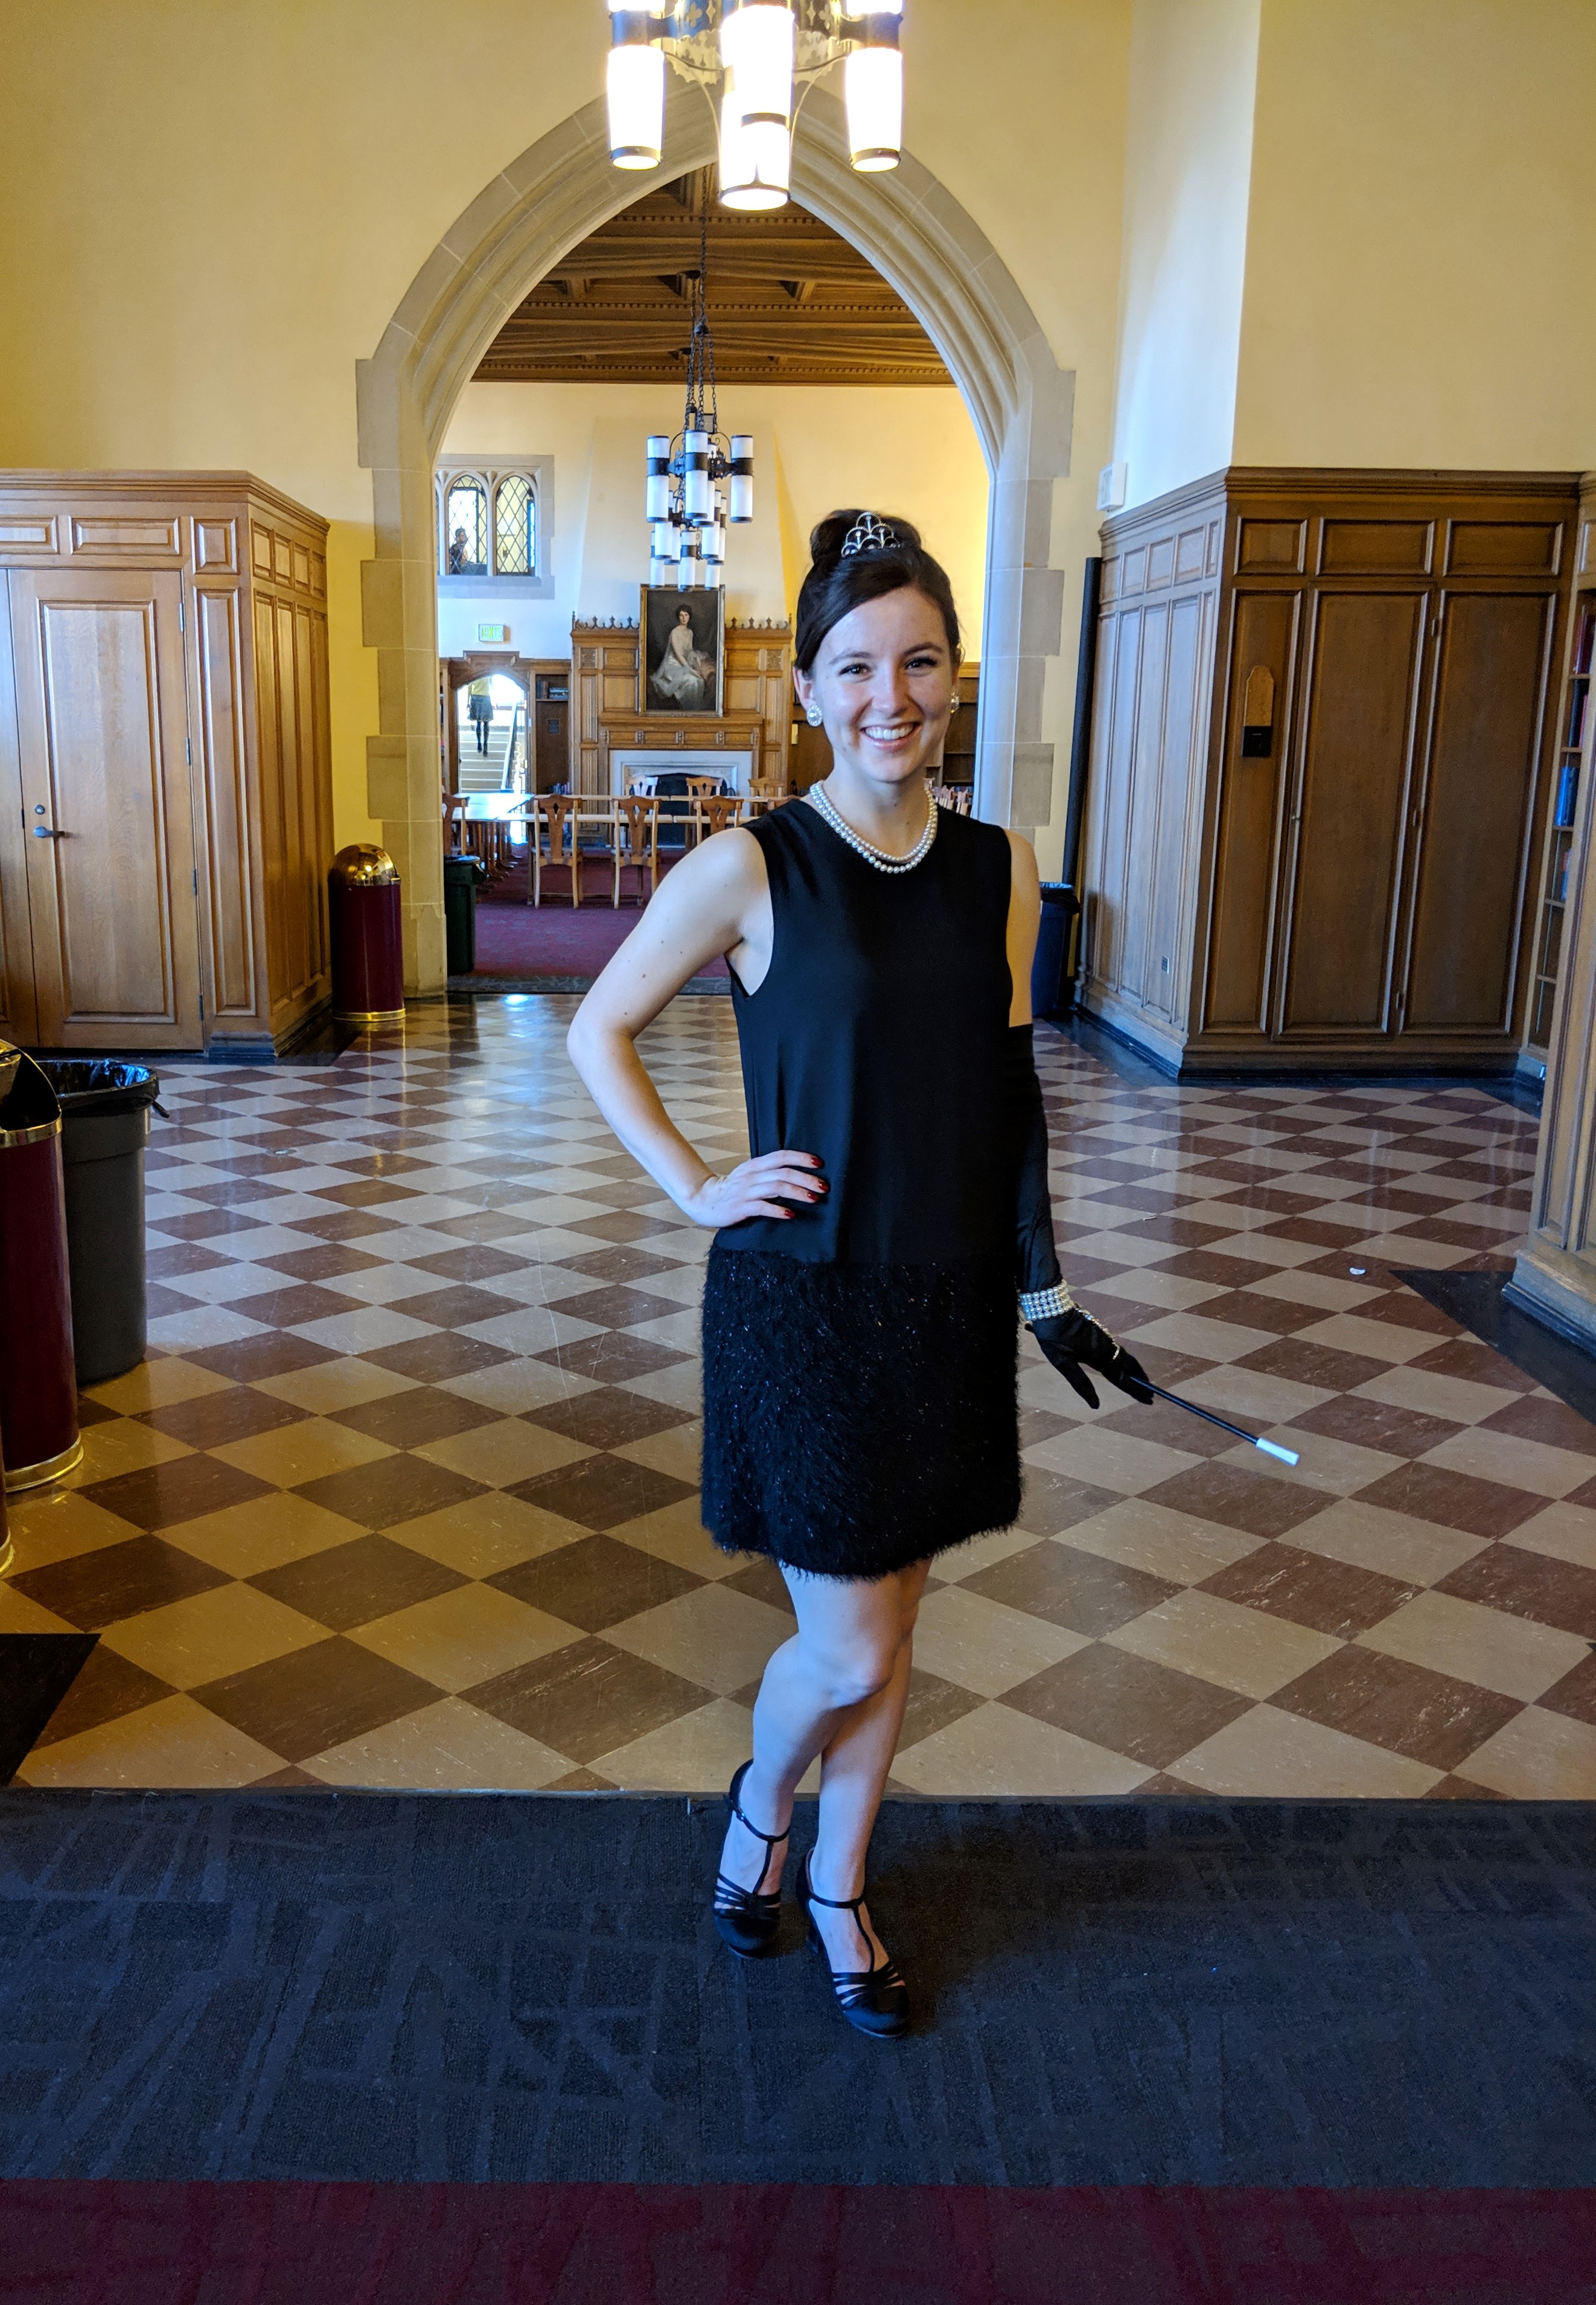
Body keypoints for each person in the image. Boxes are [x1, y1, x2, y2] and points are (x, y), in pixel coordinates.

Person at [566, 510, 1151, 2040]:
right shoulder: (750, 865)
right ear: (811, 690)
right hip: (806, 1299)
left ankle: (837, 1883)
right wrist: (698, 1182)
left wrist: (1039, 1283)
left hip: (943, 1299)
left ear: (949, 675)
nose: (890, 695)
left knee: (894, 1625)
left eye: (918, 662)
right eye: (854, 667)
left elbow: (1009, 1092)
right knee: (843, 1636)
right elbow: (593, 1029)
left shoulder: (997, 867)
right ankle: (761, 1803)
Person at [650, 604, 712, 708]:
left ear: (689, 617)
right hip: (672, 666)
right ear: (678, 617)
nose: (684, 618)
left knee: (700, 681)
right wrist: (691, 670)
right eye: (681, 615)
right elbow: (679, 655)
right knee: (692, 681)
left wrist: (696, 657)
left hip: (684, 663)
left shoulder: (690, 632)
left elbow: (689, 651)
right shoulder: (675, 632)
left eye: (686, 615)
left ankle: (694, 710)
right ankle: (687, 709)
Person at [467, 677, 494, 755]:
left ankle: (479, 743)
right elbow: (492, 686)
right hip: (486, 698)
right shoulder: (489, 674)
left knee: (478, 723)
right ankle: (485, 745)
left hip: (476, 697)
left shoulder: (475, 674)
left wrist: (468, 702)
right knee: (486, 723)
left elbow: (469, 688)